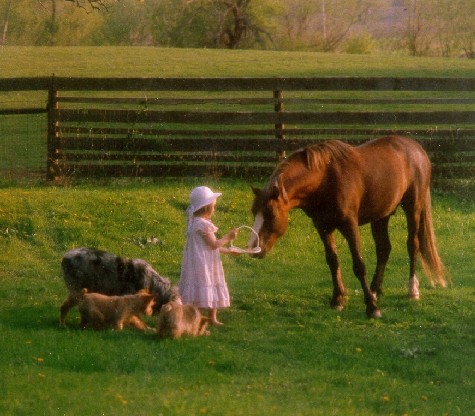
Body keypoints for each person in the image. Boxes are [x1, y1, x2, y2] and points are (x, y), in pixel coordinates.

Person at [178, 186, 239, 326]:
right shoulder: (203, 225)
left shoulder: (194, 223)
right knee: (210, 283)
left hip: (201, 260)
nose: (214, 209)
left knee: (205, 285)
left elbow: (209, 247)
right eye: (214, 207)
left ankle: (206, 317)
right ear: (207, 208)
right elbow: (213, 244)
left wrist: (229, 251)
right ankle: (205, 317)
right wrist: (228, 237)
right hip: (204, 263)